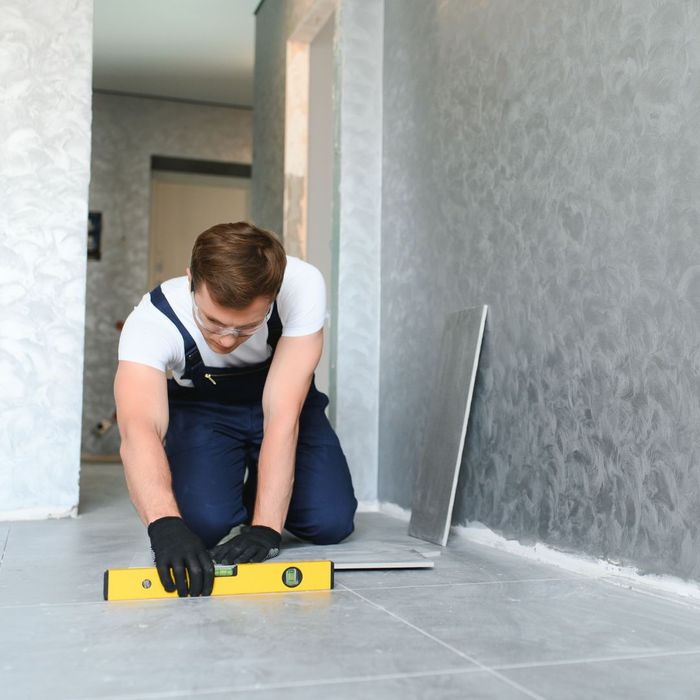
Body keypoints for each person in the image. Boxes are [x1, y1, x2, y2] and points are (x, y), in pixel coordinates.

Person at [114, 222, 357, 597]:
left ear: (274, 296)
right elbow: (138, 427)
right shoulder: (152, 321)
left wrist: (266, 527)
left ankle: (257, 491)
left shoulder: (302, 286)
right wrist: (163, 525)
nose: (227, 340)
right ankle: (232, 489)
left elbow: (282, 416)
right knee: (200, 525)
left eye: (246, 328)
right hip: (204, 412)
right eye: (213, 322)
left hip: (280, 406)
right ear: (191, 279)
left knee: (330, 523)